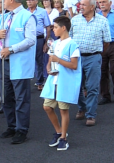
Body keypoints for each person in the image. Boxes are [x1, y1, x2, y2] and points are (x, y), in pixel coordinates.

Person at [0, 0, 36, 144]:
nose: (1, 2)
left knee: (21, 98)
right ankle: (12, 126)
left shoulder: (27, 17)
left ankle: (22, 130)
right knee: (6, 97)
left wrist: (11, 49)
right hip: (4, 63)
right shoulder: (3, 17)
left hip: (19, 62)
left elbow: (30, 40)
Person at [40, 16, 81, 151]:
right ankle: (59, 131)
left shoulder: (72, 44)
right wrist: (48, 67)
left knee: (63, 109)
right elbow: (51, 58)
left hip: (65, 81)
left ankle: (63, 137)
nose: (53, 29)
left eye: (56, 27)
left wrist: (58, 60)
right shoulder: (55, 43)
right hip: (54, 80)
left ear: (63, 28)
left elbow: (74, 65)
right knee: (47, 106)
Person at [70, 0, 111, 126]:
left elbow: (107, 42)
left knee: (92, 87)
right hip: (77, 57)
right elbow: (69, 39)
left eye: (83, 5)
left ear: (92, 7)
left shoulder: (102, 21)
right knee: (77, 86)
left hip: (94, 57)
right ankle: (82, 107)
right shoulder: (74, 20)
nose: (80, 7)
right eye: (80, 5)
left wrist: (98, 54)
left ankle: (91, 115)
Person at [27, 0, 51, 91]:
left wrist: (46, 43)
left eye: (31, 0)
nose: (29, 2)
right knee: (27, 60)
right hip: (27, 39)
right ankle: (26, 81)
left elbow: (48, 27)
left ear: (36, 1)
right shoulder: (24, 12)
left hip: (39, 38)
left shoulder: (42, 12)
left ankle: (40, 81)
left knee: (39, 60)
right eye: (28, 0)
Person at [42, 0, 59, 82]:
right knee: (44, 56)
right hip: (43, 34)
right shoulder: (42, 11)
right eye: (44, 1)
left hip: (52, 34)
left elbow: (54, 24)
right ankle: (45, 75)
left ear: (50, 1)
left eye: (47, 0)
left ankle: (53, 73)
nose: (45, 2)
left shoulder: (55, 11)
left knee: (51, 53)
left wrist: (47, 26)